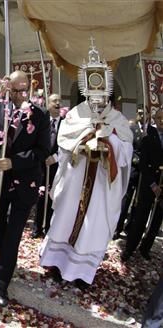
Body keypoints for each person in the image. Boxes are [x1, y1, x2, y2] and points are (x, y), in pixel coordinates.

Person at [39, 45, 133, 288]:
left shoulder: (118, 120)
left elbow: (127, 149)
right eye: (93, 96)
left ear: (108, 94)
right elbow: (63, 140)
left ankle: (81, 274)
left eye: (102, 96)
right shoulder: (74, 115)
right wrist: (84, 141)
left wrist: (109, 139)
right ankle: (58, 264)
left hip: (101, 185)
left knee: (93, 227)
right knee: (66, 220)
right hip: (76, 178)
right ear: (87, 93)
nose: (97, 101)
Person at [0, 70, 50, 306]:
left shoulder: (40, 115)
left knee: (14, 233)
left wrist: (15, 161)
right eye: (14, 90)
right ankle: (6, 256)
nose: (18, 95)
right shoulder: (0, 107)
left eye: (22, 90)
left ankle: (2, 284)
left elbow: (43, 150)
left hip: (25, 181)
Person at [122, 109, 163, 261]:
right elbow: (144, 164)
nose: (161, 121)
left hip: (162, 185)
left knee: (156, 220)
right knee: (141, 217)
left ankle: (146, 247)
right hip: (149, 184)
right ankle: (130, 248)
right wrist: (153, 185)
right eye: (159, 118)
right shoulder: (148, 138)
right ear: (154, 119)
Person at [32, 93, 63, 238]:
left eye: (59, 101)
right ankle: (37, 227)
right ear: (48, 104)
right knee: (40, 196)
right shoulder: (42, 122)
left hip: (56, 166)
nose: (57, 103)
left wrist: (55, 157)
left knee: (52, 197)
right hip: (41, 165)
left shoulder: (65, 124)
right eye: (54, 101)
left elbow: (66, 145)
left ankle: (49, 227)